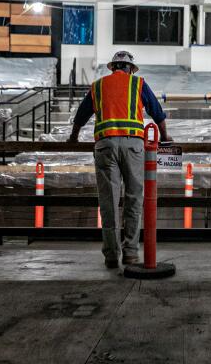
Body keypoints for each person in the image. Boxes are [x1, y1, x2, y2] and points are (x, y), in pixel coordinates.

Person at [68, 51, 172, 269]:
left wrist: (74, 137)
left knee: (109, 201)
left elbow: (81, 115)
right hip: (133, 146)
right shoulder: (138, 84)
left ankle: (111, 256)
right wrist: (165, 136)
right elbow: (157, 112)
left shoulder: (98, 86)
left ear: (113, 67)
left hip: (105, 146)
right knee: (134, 198)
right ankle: (131, 254)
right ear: (131, 69)